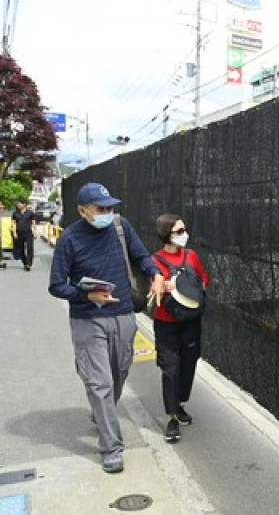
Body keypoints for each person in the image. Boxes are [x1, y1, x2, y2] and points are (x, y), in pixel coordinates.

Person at [48, 182, 164, 473]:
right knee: (100, 383)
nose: (107, 213)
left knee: (119, 372)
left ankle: (102, 412)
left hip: (123, 314)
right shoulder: (69, 240)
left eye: (110, 207)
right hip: (87, 319)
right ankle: (111, 447)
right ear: (82, 210)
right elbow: (56, 285)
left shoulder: (120, 226)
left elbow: (141, 256)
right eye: (100, 209)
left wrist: (156, 274)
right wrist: (85, 294)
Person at [150, 213, 209, 443]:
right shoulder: (154, 260)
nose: (185, 235)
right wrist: (162, 286)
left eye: (184, 230)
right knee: (170, 368)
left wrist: (186, 284)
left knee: (189, 361)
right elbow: (152, 287)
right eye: (179, 231)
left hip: (191, 320)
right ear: (167, 234)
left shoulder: (191, 255)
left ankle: (180, 402)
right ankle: (172, 416)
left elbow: (204, 279)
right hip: (166, 321)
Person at [11, 197, 37, 271]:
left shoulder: (30, 213)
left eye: (19, 203)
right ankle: (25, 262)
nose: (18, 205)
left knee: (29, 248)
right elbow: (13, 223)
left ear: (24, 204)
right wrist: (14, 232)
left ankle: (29, 264)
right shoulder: (15, 213)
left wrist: (35, 232)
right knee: (21, 250)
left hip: (28, 233)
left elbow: (33, 223)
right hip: (19, 233)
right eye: (17, 203)